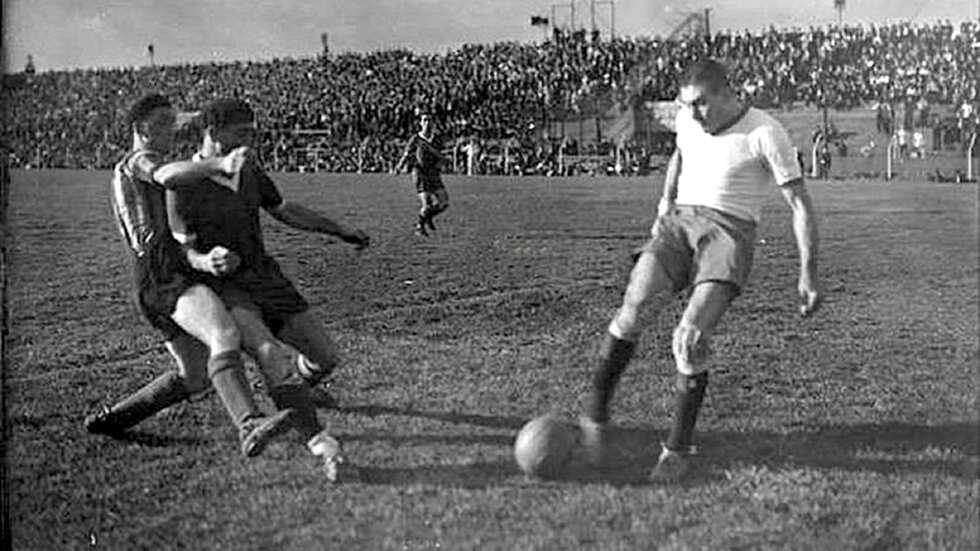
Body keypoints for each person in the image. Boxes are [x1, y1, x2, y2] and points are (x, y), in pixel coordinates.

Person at [578, 59, 822, 483]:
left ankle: (676, 449)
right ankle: (595, 416)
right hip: (679, 225)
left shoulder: (765, 132)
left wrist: (808, 274)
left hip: (728, 234)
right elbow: (679, 154)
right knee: (633, 310)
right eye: (685, 105)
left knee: (689, 339)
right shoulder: (689, 123)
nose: (691, 115)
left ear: (728, 94)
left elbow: (800, 205)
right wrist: (662, 207)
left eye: (701, 104)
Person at [168, 98, 370, 481]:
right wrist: (206, 260)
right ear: (213, 133)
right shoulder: (182, 183)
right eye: (241, 133)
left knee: (325, 358)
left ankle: (295, 392)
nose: (250, 140)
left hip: (267, 278)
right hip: (227, 288)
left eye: (252, 132)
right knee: (268, 352)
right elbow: (184, 252)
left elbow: (285, 210)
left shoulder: (249, 171)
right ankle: (323, 445)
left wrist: (341, 231)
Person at [86, 93, 295, 458]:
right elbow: (167, 176)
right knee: (224, 332)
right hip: (162, 272)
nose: (172, 128)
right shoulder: (140, 160)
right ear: (140, 129)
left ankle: (113, 420)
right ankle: (249, 423)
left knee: (194, 374)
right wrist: (219, 164)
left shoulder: (144, 160)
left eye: (173, 120)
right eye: (163, 122)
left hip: (162, 273)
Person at [394, 112, 450, 237]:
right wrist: (399, 166)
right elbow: (406, 154)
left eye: (429, 120)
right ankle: (420, 226)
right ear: (420, 123)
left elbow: (441, 156)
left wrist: (441, 163)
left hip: (434, 173)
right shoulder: (415, 139)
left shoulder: (437, 139)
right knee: (427, 203)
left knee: (444, 202)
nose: (427, 123)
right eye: (424, 120)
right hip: (420, 172)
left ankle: (428, 217)